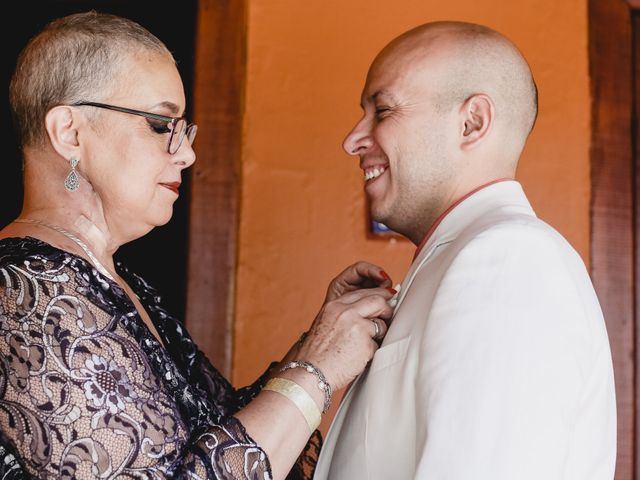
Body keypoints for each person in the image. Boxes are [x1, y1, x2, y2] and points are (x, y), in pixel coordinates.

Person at [0, 11, 396, 479]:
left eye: (183, 129)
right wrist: (316, 368)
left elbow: (220, 439)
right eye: (159, 124)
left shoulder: (113, 279)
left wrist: (318, 343)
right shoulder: (23, 292)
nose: (186, 153)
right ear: (69, 133)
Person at [314, 21, 617, 479]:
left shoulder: (511, 261)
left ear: (472, 122)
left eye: (383, 110)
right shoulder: (461, 259)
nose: (352, 139)